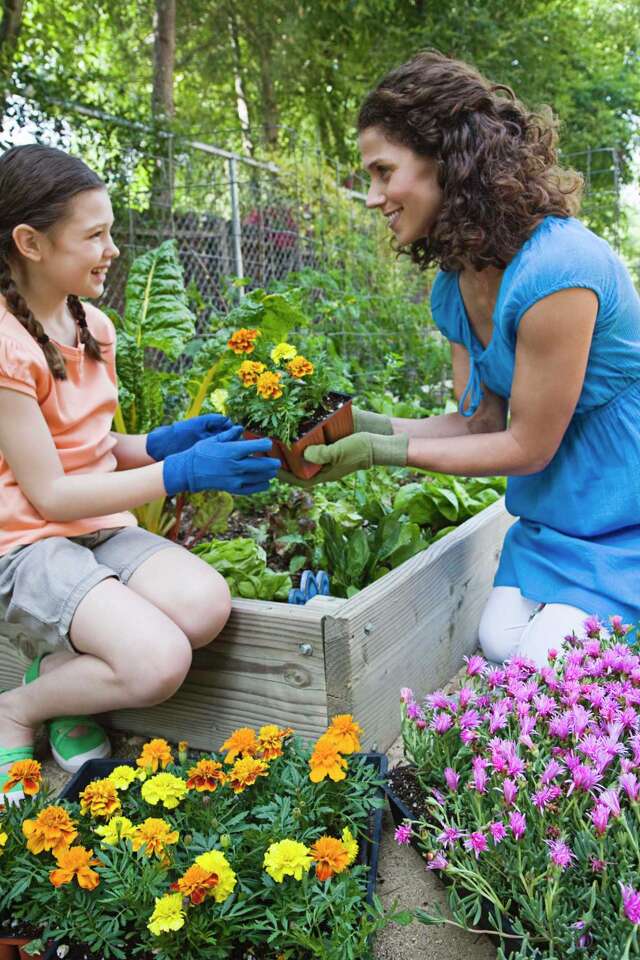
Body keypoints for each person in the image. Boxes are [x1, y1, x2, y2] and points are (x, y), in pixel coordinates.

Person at [294, 50, 640, 667]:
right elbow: (478, 424)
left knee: (540, 665)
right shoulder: (455, 284)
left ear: (446, 162)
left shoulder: (559, 271)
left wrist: (385, 452)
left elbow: (527, 446)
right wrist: (366, 427)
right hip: (555, 524)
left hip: (624, 517)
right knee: (498, 643)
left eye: (382, 171)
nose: (373, 197)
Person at [0, 144, 280, 799]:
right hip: (27, 545)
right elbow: (50, 493)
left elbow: (95, 451)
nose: (113, 249)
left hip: (96, 529)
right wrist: (180, 472)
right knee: (158, 662)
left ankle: (61, 673)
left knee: (206, 606)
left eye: (112, 232)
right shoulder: (7, 349)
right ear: (30, 243)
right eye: (94, 235)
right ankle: (20, 706)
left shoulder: (92, 324)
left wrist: (158, 442)